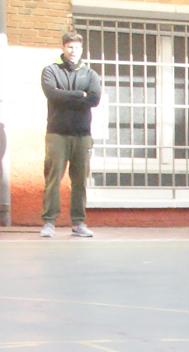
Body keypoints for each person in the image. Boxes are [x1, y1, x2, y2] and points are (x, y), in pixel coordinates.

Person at [40, 31, 101, 238]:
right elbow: (52, 94)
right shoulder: (51, 71)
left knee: (80, 181)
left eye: (77, 47)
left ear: (82, 49)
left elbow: (94, 100)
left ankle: (78, 223)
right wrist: (79, 95)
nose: (73, 51)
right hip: (57, 133)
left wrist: (69, 96)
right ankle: (49, 222)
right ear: (63, 48)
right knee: (53, 178)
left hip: (83, 135)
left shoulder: (90, 74)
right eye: (70, 47)